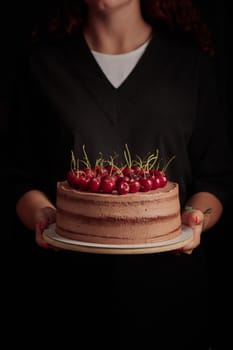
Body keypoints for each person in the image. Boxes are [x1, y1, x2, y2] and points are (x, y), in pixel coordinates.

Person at [7, 0, 232, 348]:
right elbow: (20, 179)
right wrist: (44, 216)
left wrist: (194, 220)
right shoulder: (42, 66)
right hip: (65, 303)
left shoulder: (190, 65)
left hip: (172, 307)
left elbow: (215, 181)